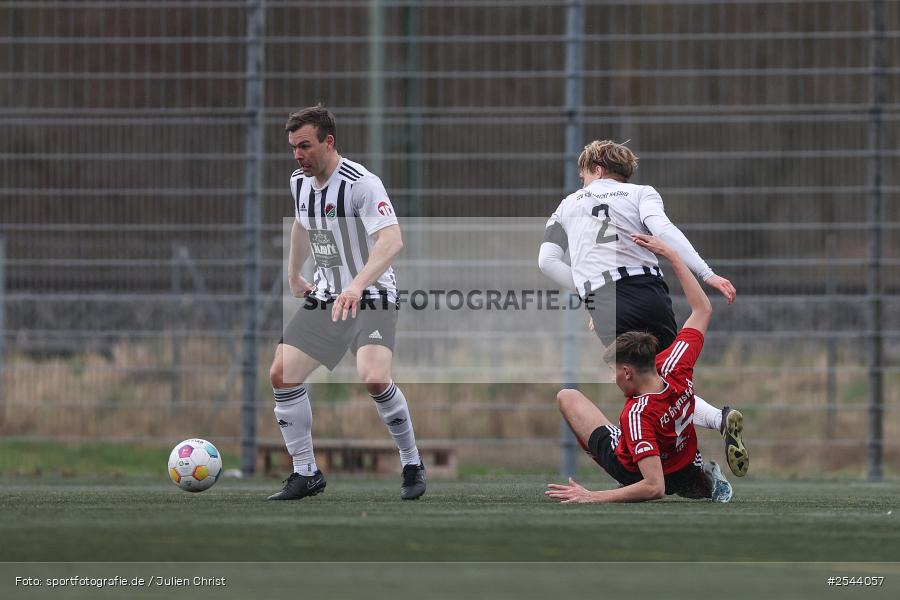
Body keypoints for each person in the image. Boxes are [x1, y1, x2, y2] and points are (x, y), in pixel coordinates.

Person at [538, 140, 747, 477]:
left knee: (645, 387)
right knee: (668, 383)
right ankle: (716, 422)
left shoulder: (566, 205)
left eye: (583, 176)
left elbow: (547, 262)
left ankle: (688, 460)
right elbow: (664, 231)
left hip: (606, 301)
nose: (582, 184)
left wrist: (590, 296)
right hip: (647, 289)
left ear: (598, 169)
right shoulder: (640, 193)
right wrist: (706, 274)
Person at [267, 104, 426, 501]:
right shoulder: (299, 182)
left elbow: (392, 241)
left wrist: (355, 286)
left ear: (329, 141)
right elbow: (302, 227)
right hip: (326, 297)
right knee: (282, 375)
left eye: (305, 146)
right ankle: (306, 474)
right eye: (293, 148)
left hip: (371, 296)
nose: (298, 155)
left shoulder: (361, 183)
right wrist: (293, 274)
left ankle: (411, 463)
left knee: (373, 377)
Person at [546, 234, 733, 504]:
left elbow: (653, 487)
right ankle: (700, 479)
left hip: (640, 472)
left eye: (615, 371)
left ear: (628, 372)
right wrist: (672, 255)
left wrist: (593, 496)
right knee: (661, 445)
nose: (613, 378)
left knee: (567, 397)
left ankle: (661, 471)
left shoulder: (637, 414)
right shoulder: (674, 364)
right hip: (684, 464)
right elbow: (702, 309)